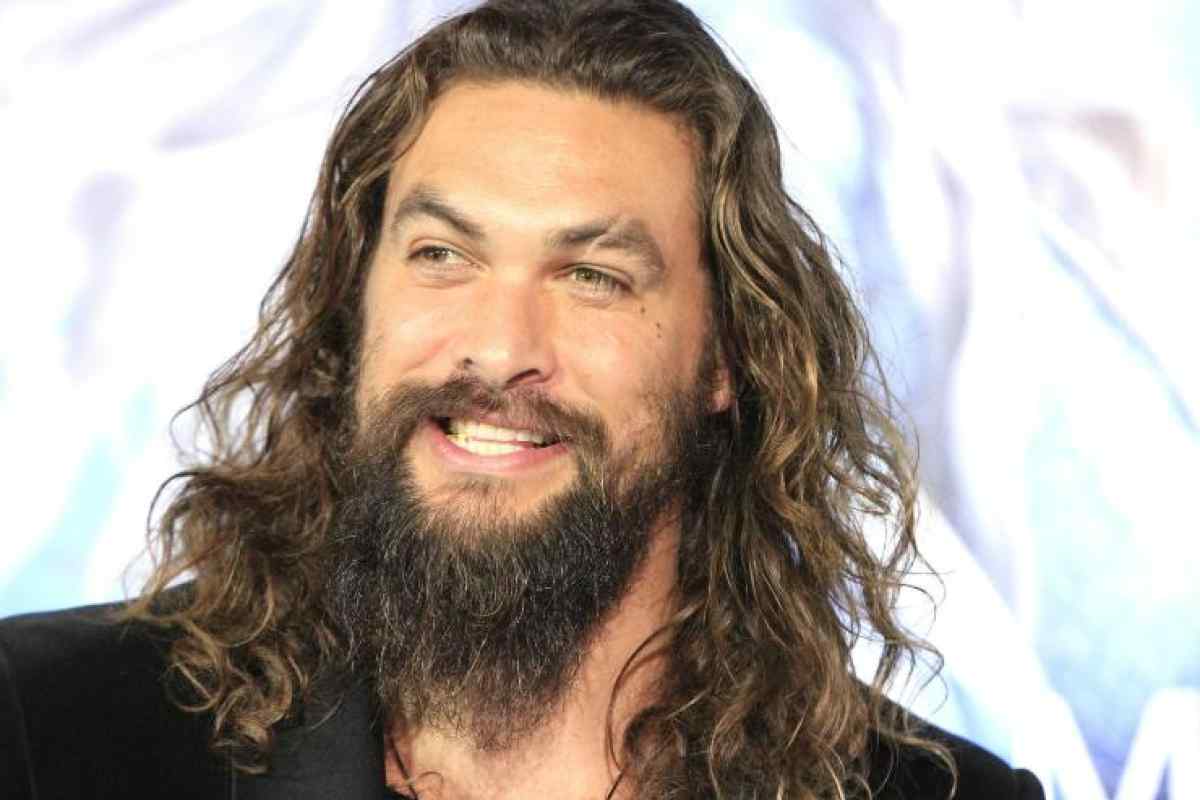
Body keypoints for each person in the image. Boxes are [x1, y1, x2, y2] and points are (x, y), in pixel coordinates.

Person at [0, 2, 1044, 798]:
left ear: (729, 354)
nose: (500, 348)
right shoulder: (50, 731)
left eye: (593, 275)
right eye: (442, 254)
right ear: (354, 301)